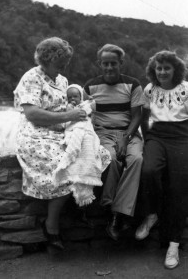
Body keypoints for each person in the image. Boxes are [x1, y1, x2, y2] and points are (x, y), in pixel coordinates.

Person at [13, 37, 87, 250]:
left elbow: (66, 108)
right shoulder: (32, 77)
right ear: (46, 60)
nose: (64, 66)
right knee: (62, 166)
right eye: (60, 61)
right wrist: (68, 116)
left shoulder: (62, 81)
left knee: (90, 155)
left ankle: (78, 209)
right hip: (35, 134)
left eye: (66, 61)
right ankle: (51, 224)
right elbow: (33, 114)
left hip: (59, 131)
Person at [83, 44, 144, 241]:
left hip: (129, 132)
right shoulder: (90, 87)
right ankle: (115, 211)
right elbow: (84, 116)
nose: (109, 67)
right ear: (100, 64)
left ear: (121, 64)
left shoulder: (133, 85)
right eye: (105, 63)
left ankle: (117, 213)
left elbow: (137, 116)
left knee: (136, 160)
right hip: (102, 133)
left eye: (113, 64)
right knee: (110, 159)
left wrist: (125, 139)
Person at [135, 50, 188, 269]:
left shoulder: (186, 89)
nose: (162, 72)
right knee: (148, 171)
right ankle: (152, 214)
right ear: (153, 70)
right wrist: (148, 141)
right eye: (159, 68)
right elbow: (145, 118)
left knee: (178, 187)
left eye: (167, 68)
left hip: (182, 137)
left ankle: (173, 245)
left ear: (176, 70)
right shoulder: (150, 89)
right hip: (156, 136)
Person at [52, 84, 111, 207]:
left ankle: (85, 175)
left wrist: (90, 99)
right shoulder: (68, 107)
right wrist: (70, 108)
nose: (72, 99)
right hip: (73, 129)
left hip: (85, 129)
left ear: (80, 97)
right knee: (74, 142)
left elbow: (92, 107)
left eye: (75, 96)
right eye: (69, 97)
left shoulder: (84, 105)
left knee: (89, 145)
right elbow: (67, 119)